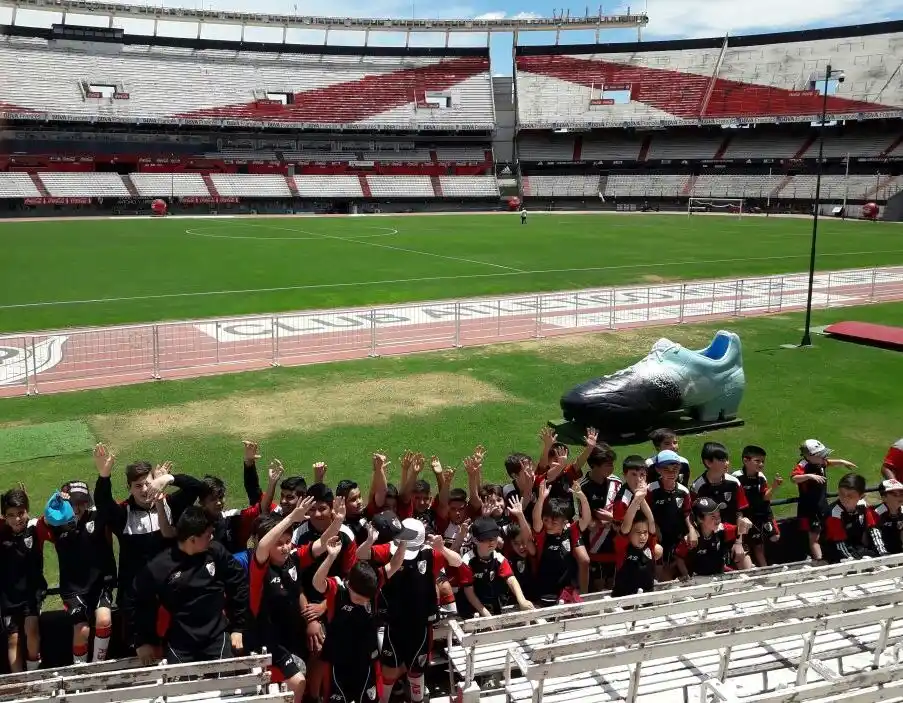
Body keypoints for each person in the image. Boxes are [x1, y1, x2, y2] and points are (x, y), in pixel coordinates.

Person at [92, 444, 201, 648]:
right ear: (129, 489)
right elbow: (103, 503)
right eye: (137, 486)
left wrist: (169, 479)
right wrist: (104, 474)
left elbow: (196, 487)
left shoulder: (169, 504)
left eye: (148, 484)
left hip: (172, 598)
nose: (144, 490)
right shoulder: (123, 514)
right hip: (137, 602)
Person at [132, 506, 249, 665]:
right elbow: (137, 601)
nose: (212, 536)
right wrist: (142, 641)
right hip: (181, 641)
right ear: (192, 539)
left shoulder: (216, 552)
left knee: (225, 685)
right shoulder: (159, 567)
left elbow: (239, 583)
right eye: (208, 535)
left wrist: (238, 628)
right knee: (179, 689)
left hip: (216, 636)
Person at [376, 519, 463, 703]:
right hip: (394, 623)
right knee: (388, 670)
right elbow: (362, 555)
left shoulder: (430, 554)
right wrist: (369, 541)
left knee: (417, 671)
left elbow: (457, 562)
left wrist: (442, 548)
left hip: (420, 625)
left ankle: (417, 700)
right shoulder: (388, 550)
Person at [314, 536, 406, 703]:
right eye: (359, 598)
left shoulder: (373, 581)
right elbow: (317, 583)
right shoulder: (337, 589)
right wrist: (331, 556)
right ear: (349, 585)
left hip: (366, 660)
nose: (364, 602)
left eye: (367, 599)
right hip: (338, 662)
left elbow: (395, 564)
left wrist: (404, 541)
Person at [250, 497, 323, 703]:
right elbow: (263, 546)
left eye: (287, 542)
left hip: (293, 634)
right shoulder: (259, 570)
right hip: (270, 641)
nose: (284, 547)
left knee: (320, 649)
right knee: (298, 681)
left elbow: (321, 544)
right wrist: (291, 517)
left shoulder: (292, 559)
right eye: (278, 543)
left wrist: (338, 520)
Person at [40, 481, 119, 664]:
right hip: (73, 589)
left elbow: (111, 505)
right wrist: (57, 502)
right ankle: (80, 671)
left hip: (99, 584)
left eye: (82, 502)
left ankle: (98, 667)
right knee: (82, 630)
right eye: (73, 502)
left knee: (104, 620)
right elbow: (43, 521)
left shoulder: (97, 517)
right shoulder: (57, 524)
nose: (77, 507)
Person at [0, 487, 45, 672]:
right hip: (7, 595)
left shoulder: (35, 528)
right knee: (13, 640)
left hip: (31, 593)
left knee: (32, 629)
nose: (17, 519)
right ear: (4, 516)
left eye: (21, 513)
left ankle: (33, 673)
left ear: (27, 511)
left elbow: (53, 519)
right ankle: (17, 681)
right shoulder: (1, 532)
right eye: (11, 515)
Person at [791, 439, 856, 561]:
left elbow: (828, 462)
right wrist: (809, 476)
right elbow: (794, 478)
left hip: (822, 505)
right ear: (809, 456)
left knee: (827, 532)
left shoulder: (819, 462)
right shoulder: (804, 465)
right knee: (814, 538)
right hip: (810, 508)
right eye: (821, 455)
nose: (824, 457)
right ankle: (820, 561)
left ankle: (835, 555)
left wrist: (842, 462)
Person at [457, 517, 533, 618]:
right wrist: (485, 613)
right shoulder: (467, 561)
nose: (492, 542)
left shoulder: (499, 558)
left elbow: (511, 579)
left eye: (494, 537)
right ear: (475, 540)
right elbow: (468, 591)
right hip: (470, 608)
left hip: (492, 604)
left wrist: (522, 600)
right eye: (487, 539)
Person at [675, 498, 752, 578]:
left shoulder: (722, 530)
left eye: (719, 515)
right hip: (697, 578)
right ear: (700, 519)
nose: (718, 520)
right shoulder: (691, 538)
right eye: (713, 517)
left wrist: (744, 523)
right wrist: (685, 574)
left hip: (718, 574)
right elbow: (679, 557)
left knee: (744, 554)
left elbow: (740, 529)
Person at [645, 451, 692, 582]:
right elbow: (644, 511)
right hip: (657, 537)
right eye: (666, 469)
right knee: (659, 568)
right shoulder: (651, 490)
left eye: (675, 469)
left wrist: (692, 530)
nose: (671, 473)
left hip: (676, 536)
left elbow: (687, 512)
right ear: (658, 470)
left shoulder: (683, 491)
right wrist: (655, 527)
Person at [732, 446, 782, 567]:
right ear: (745, 460)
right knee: (749, 543)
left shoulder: (761, 477)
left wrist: (774, 486)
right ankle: (753, 566)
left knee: (773, 538)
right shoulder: (736, 477)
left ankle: (765, 566)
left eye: (763, 461)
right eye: (757, 461)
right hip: (744, 516)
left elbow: (765, 497)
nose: (761, 464)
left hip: (760, 513)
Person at [823, 473, 887, 563]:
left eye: (850, 496)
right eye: (841, 494)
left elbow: (874, 531)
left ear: (861, 496)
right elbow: (838, 543)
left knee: (875, 556)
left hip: (858, 548)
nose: (844, 498)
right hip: (837, 552)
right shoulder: (834, 512)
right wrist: (852, 560)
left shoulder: (864, 507)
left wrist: (882, 553)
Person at [612, 484, 661, 598]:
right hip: (623, 601)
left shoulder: (650, 546)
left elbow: (651, 520)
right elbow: (627, 523)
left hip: (647, 599)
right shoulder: (623, 548)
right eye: (638, 533)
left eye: (645, 532)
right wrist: (636, 500)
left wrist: (642, 498)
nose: (643, 536)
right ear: (629, 534)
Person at [690, 443, 749, 525]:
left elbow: (740, 509)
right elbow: (693, 514)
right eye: (722, 460)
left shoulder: (734, 483)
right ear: (708, 462)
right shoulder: (697, 486)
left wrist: (740, 522)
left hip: (732, 533)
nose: (727, 463)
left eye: (727, 459)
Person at [873, 479, 903, 555]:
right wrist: (885, 555)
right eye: (895, 494)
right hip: (879, 554)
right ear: (884, 498)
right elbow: (875, 536)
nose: (900, 497)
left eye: (902, 493)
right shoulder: (876, 513)